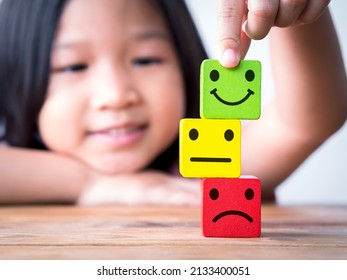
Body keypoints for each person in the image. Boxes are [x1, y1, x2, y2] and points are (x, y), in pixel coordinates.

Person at [0, 0, 345, 205]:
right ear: (16, 77)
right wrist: (90, 184)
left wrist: (296, 18)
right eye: (73, 66)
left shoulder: (198, 170)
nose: (117, 95)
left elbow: (305, 122)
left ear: (183, 63)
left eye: (146, 60)